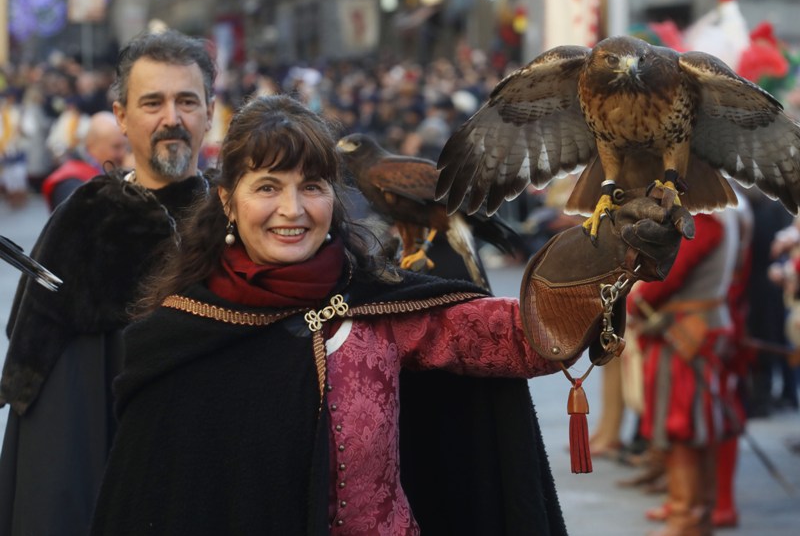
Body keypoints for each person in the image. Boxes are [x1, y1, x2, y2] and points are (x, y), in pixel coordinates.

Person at [90, 94, 686, 535]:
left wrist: (608, 254)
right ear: (228, 199)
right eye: (267, 187)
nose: (292, 209)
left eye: (313, 186)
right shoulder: (183, 333)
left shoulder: (378, 304)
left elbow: (517, 338)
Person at [0, 29, 215, 536]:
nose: (172, 118)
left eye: (187, 101)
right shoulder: (85, 222)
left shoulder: (241, 217)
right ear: (121, 116)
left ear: (209, 112)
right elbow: (53, 411)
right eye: (153, 103)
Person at [627, 208, 742, 536]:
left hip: (685, 331)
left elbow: (669, 273)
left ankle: (686, 517)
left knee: (682, 427)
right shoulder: (720, 214)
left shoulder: (706, 218)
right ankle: (697, 514)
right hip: (696, 326)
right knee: (696, 426)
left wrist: (634, 301)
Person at [41, 111, 129, 211]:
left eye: (126, 147)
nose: (123, 154)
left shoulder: (112, 173)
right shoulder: (70, 182)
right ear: (92, 145)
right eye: (116, 147)